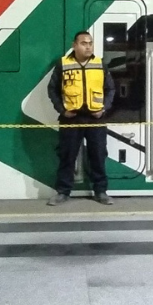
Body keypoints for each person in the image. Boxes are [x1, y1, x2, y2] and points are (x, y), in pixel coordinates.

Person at [46, 31, 116, 206]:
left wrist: (103, 108)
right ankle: (62, 192)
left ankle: (101, 191)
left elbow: (111, 89)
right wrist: (62, 110)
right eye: (84, 43)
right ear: (74, 45)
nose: (88, 46)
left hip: (96, 119)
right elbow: (52, 89)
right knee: (67, 155)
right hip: (71, 119)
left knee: (98, 155)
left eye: (90, 43)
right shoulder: (63, 64)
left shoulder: (100, 64)